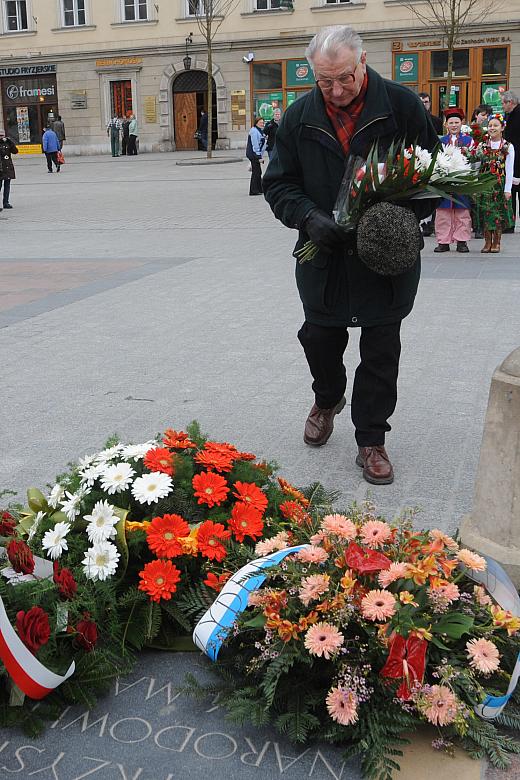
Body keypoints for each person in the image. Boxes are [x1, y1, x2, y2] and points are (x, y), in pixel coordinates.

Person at [262, 25, 438, 485]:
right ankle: (327, 397)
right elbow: (278, 184)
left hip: (386, 261)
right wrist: (307, 216)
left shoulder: (401, 107)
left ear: (363, 62)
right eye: (325, 81)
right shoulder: (298, 116)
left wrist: (400, 218)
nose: (336, 90)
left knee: (381, 349)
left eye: (344, 78)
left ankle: (371, 439)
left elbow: (435, 175)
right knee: (319, 339)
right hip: (323, 256)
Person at [434, 107, 473, 253]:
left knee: (462, 211)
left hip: (462, 180)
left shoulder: (468, 140)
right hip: (444, 181)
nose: (454, 125)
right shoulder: (441, 141)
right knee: (443, 212)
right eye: (451, 122)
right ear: (446, 125)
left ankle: (462, 241)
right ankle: (443, 241)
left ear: (461, 123)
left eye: (457, 122)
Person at [474, 114, 515, 253]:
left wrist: (508, 189)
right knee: (486, 212)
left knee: (497, 213)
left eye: (495, 125)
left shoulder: (508, 146)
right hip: (484, 183)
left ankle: (496, 242)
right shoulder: (482, 145)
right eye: (490, 125)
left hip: (499, 183)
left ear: (502, 127)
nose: (492, 128)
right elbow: (477, 162)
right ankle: (487, 241)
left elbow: (509, 169)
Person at [502, 90, 520, 233]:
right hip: (514, 157)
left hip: (516, 159)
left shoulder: (516, 115)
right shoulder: (510, 115)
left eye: (503, 102)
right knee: (511, 191)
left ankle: (510, 224)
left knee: (512, 190)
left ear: (510, 103)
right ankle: (510, 223)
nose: (502, 105)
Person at [0, 125, 18, 211]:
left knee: (7, 186)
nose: (1, 137)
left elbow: (15, 151)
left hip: (7, 167)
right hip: (0, 168)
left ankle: (6, 202)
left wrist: (10, 142)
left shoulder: (7, 142)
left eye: (2, 135)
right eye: (0, 135)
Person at [246, 117, 265, 195]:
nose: (262, 124)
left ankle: (259, 189)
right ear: (256, 123)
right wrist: (258, 156)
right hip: (253, 154)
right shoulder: (254, 131)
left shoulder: (259, 131)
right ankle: (253, 191)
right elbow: (255, 144)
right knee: (256, 172)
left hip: (256, 154)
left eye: (263, 122)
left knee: (258, 171)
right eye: (260, 122)